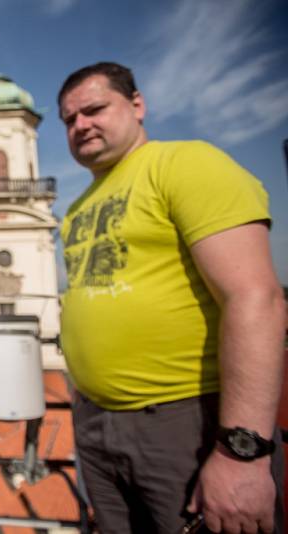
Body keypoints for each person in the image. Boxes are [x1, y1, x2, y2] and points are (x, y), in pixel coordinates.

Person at [57, 62, 285, 533]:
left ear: (136, 105)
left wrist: (242, 450)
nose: (80, 125)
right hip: (98, 423)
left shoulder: (185, 163)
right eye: (69, 119)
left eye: (94, 109)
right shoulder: (79, 206)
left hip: (184, 421)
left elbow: (256, 297)